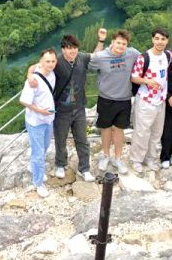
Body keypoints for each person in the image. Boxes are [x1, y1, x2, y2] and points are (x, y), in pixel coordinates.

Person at [29, 29, 107, 183]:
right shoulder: (56, 61)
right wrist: (30, 77)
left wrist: (101, 41)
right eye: (69, 48)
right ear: (63, 49)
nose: (73, 51)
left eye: (75, 48)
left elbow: (96, 54)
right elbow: (34, 68)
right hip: (61, 110)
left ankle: (84, 169)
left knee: (82, 140)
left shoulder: (82, 58)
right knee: (60, 139)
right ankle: (60, 164)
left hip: (79, 108)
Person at [89, 29, 140, 174]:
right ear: (112, 42)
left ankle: (118, 158)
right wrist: (100, 41)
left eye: (124, 43)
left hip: (124, 99)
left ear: (127, 45)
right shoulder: (102, 56)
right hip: (106, 98)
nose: (120, 46)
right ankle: (105, 156)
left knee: (119, 130)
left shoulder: (132, 54)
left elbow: (149, 58)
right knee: (105, 129)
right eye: (118, 42)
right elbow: (90, 60)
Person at [128, 28, 172, 173]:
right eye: (157, 38)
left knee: (156, 133)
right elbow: (134, 77)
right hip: (146, 101)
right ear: (152, 39)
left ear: (167, 41)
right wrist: (147, 81)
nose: (160, 42)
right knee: (142, 132)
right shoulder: (144, 57)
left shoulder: (168, 55)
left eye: (163, 39)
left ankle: (150, 158)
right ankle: (136, 160)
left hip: (160, 100)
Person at [20, 48, 58, 197]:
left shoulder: (52, 73)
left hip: (49, 119)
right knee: (38, 153)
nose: (50, 64)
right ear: (41, 61)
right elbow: (23, 101)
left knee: (45, 147)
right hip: (36, 121)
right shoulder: (33, 80)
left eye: (53, 61)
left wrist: (46, 113)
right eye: (47, 61)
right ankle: (38, 183)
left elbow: (31, 67)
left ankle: (34, 168)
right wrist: (40, 111)